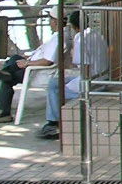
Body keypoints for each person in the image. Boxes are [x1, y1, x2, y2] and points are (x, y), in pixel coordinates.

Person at [37, 12, 109, 140]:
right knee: (55, 82)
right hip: (102, 77)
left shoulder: (80, 39)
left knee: (56, 89)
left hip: (90, 81)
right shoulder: (97, 34)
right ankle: (53, 120)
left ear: (72, 26)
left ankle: (54, 123)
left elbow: (84, 66)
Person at [0, 12, 65, 123]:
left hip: (37, 72)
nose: (49, 22)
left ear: (55, 21)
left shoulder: (58, 38)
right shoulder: (59, 35)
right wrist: (27, 58)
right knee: (14, 58)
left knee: (7, 80)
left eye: (49, 19)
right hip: (33, 67)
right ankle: (6, 73)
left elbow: (47, 61)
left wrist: (27, 63)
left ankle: (5, 113)